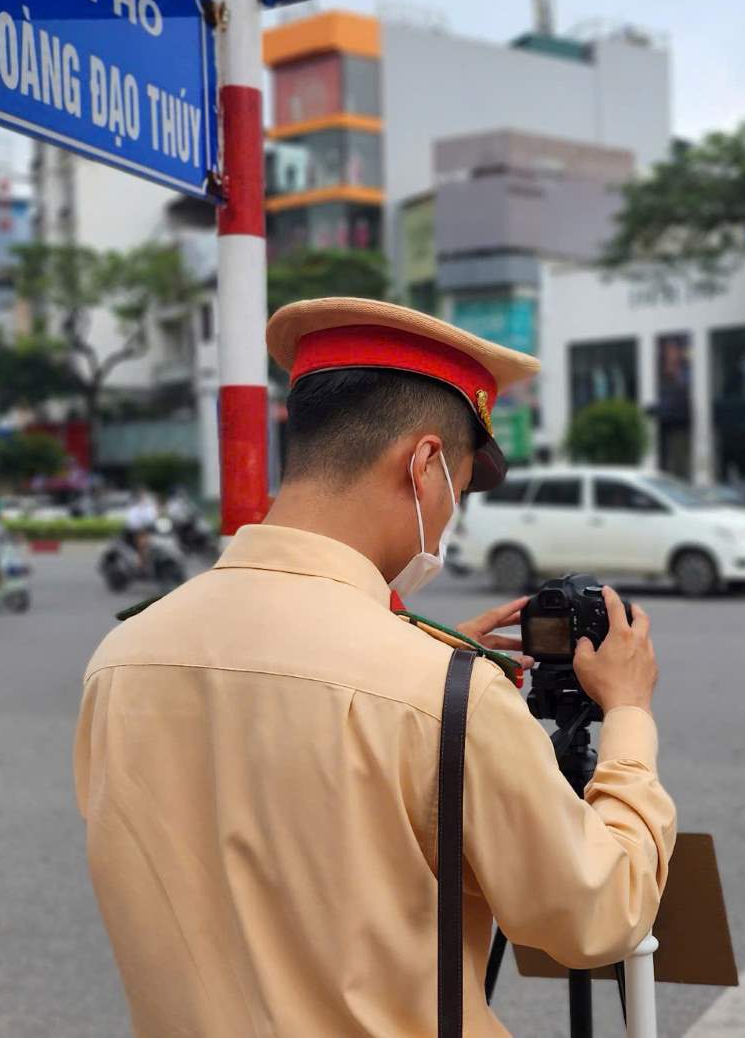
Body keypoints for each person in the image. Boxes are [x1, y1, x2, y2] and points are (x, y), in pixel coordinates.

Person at [74, 298, 675, 1036]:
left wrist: (416, 660)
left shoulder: (123, 657)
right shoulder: (446, 695)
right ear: (424, 465)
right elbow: (599, 914)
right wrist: (628, 715)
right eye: (457, 482)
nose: (450, 511)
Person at [121, 488, 158, 571]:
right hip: (135, 532)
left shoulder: (148, 506)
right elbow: (132, 522)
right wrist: (141, 527)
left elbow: (153, 518)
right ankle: (141, 564)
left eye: (143, 495)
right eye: (140, 495)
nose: (142, 497)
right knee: (142, 544)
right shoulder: (133, 508)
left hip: (147, 531)